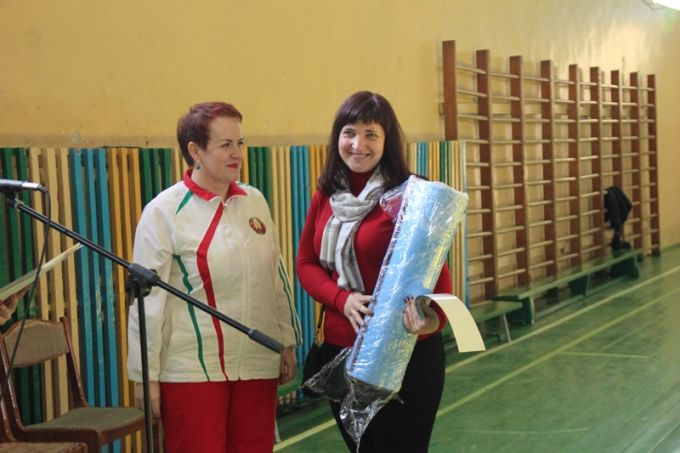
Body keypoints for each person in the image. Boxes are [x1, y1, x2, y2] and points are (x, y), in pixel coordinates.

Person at [127, 101, 302, 453]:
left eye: (240, 143)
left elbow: (275, 276)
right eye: (225, 145)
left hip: (257, 363)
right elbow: (147, 303)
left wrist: (286, 340)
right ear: (195, 151)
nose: (237, 153)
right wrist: (145, 376)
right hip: (192, 372)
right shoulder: (163, 211)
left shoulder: (255, 201)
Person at [296, 91, 452, 452]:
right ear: (337, 137)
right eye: (349, 132)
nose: (358, 144)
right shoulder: (326, 194)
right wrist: (342, 299)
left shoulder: (412, 194)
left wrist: (429, 322)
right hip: (342, 352)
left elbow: (438, 279)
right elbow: (306, 264)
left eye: (371, 134)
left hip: (406, 355)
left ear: (387, 141)